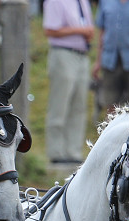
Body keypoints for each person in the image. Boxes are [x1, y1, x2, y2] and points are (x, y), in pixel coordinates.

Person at [43, 0, 94, 165]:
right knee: (60, 103)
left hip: (82, 55)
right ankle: (56, 151)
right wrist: (81, 30)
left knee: (79, 106)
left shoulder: (82, 2)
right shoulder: (55, 2)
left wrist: (86, 32)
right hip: (63, 54)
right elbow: (50, 30)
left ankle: (74, 151)